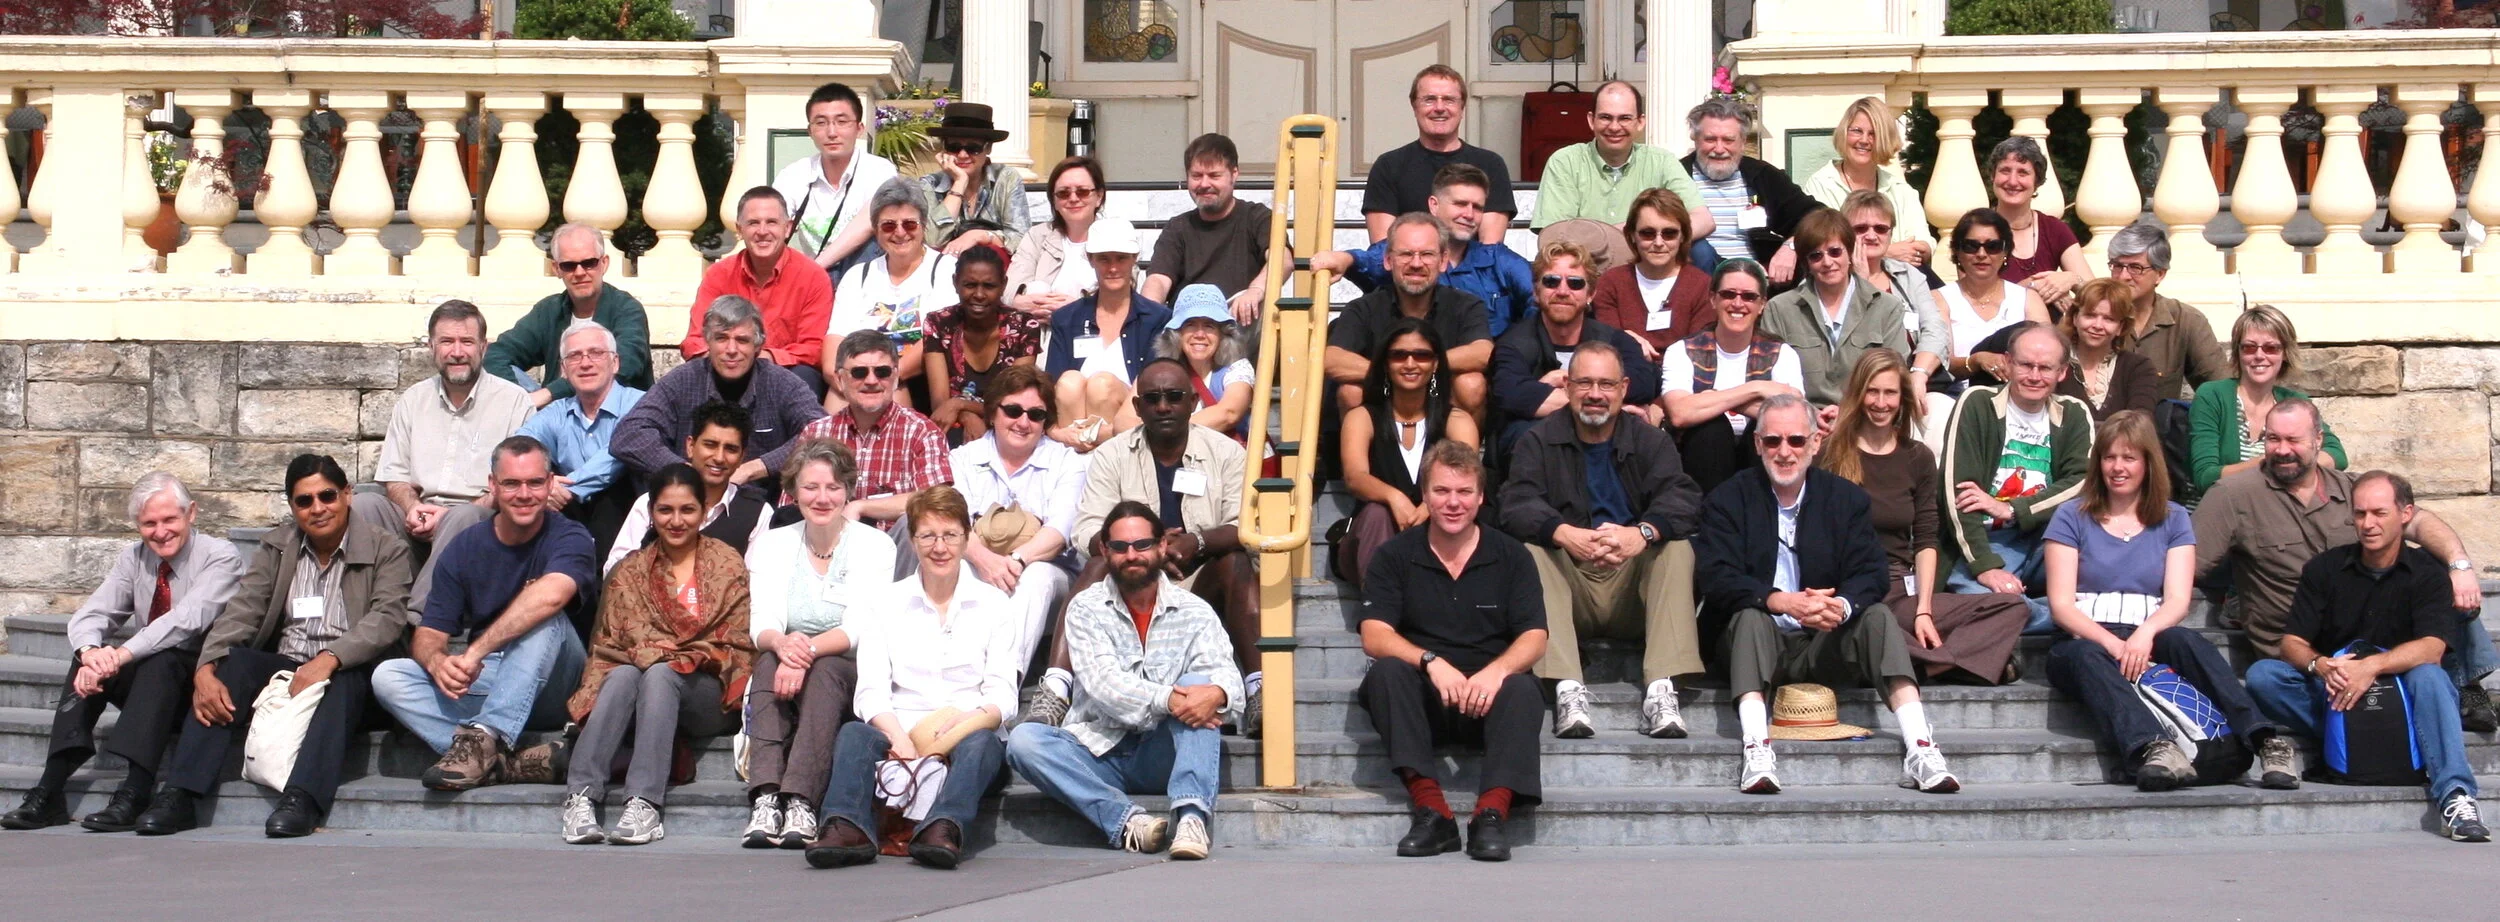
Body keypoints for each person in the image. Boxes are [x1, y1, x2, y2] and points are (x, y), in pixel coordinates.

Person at [1695, 394, 1960, 795]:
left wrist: (1840, 605)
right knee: (1750, 617)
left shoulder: (1846, 498)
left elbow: (1871, 573)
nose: (1785, 452)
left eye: (1796, 441)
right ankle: (1756, 747)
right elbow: (1715, 576)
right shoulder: (1729, 499)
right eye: (1773, 441)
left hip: (1825, 642)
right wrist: (1778, 600)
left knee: (1877, 616)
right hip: (1757, 643)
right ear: (1757, 444)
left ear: (1816, 442)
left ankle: (1921, 747)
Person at [128, 458, 404, 839]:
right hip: (289, 665)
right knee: (233, 667)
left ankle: (303, 798)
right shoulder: (278, 546)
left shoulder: (385, 547)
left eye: (327, 496)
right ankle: (181, 794)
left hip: (354, 669)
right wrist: (206, 667)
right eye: (304, 501)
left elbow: (387, 618)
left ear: (347, 495)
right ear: (293, 507)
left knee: (346, 679)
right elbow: (243, 610)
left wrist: (331, 658)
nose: (317, 508)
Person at [2193, 400, 2493, 730]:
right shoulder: (2233, 495)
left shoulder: (2350, 489)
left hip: (2372, 642)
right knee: (2264, 680)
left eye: (2293, 440)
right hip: (2305, 656)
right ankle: (2372, 727)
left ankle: (2466, 686)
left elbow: (2418, 521)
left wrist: (2460, 565)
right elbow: (2188, 564)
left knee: (2437, 564)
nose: (2281, 450)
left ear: (2318, 440)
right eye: (2273, 439)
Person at [2042, 411, 2296, 791]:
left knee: (2188, 641)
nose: (2118, 467)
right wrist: (2113, 644)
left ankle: (2265, 740)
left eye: (2129, 458)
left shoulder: (2174, 518)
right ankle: (2154, 748)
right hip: (2082, 640)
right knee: (2088, 656)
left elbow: (2178, 598)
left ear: (2148, 463)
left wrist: (2144, 635)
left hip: (2149, 631)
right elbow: (2061, 605)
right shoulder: (2071, 516)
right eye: (2109, 457)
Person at [2244, 471, 2489, 842]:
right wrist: (2320, 665)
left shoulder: (2427, 573)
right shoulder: (2325, 568)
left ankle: (2455, 795)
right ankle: (2349, 742)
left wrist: (2371, 667)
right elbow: (2291, 642)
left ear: (2406, 514)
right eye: (2360, 514)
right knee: (2265, 675)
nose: (2368, 524)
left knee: (2432, 676)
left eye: (2379, 513)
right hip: (2340, 690)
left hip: (2404, 691)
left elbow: (2432, 647)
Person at [1004, 500, 1244, 861]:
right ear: (1105, 550)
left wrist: (1217, 692)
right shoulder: (1085, 608)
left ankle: (1191, 817)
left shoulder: (1195, 612)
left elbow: (1227, 675)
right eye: (1119, 547)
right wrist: (1171, 700)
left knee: (1202, 689)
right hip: (1097, 751)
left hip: (1162, 753)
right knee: (1024, 741)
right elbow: (1105, 686)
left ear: (1162, 546)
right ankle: (1129, 821)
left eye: (1142, 545)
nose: (1132, 555)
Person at [2, 474, 242, 833]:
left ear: (191, 513)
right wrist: (90, 653)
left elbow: (187, 620)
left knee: (161, 657)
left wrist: (121, 654)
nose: (160, 532)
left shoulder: (221, 557)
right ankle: (50, 790)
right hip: (152, 689)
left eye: (169, 520)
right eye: (149, 523)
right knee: (89, 657)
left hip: (202, 688)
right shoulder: (134, 558)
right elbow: (93, 613)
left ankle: (135, 791)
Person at [1036, 359, 1263, 734]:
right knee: (1096, 564)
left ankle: (1258, 689)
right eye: (1153, 398)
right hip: (1132, 579)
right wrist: (1141, 550)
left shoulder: (1228, 454)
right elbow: (1087, 528)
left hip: (1199, 578)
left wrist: (1198, 541)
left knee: (1236, 561)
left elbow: (1249, 525)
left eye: (1174, 397)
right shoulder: (1111, 454)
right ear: (1138, 407)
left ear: (1193, 402)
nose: (1163, 407)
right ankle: (1056, 688)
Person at [803, 487, 1016, 870]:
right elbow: (870, 692)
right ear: (912, 540)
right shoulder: (884, 603)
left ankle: (943, 827)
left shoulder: (995, 605)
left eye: (950, 535)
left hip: (966, 732)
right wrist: (900, 738)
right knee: (854, 733)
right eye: (928, 536)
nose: (940, 547)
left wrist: (964, 724)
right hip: (900, 729)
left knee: (984, 743)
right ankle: (847, 826)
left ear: (966, 539)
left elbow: (1003, 695)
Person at [1499, 341, 1703, 739]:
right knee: (1533, 550)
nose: (1595, 394)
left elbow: (1683, 499)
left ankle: (1661, 689)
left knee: (1676, 548)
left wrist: (1640, 534)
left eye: (1606, 384)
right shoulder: (1537, 441)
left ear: (1624, 388)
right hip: (1569, 589)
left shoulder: (1650, 441)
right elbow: (1514, 502)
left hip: (1632, 592)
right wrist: (1561, 532)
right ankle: (1567, 688)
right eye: (1585, 383)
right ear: (1568, 386)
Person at [372, 436, 593, 792]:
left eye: (535, 483)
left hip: (557, 683)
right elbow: (429, 634)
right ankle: (511, 763)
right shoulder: (466, 546)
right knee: (388, 676)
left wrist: (473, 653)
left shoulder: (570, 535)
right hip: (492, 679)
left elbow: (553, 596)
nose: (524, 494)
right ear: (492, 486)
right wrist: (438, 663)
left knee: (542, 615)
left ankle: (486, 734)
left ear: (551, 483)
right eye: (511, 483)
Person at [1358, 442, 1546, 862]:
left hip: (1489, 699)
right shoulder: (1394, 555)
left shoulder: (1512, 555)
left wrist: (1495, 673)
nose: (1453, 503)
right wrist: (1431, 662)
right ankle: (1433, 812)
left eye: (1464, 492)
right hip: (1424, 699)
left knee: (1524, 689)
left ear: (1481, 496)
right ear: (1424, 495)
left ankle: (1491, 815)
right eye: (1442, 491)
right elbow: (1373, 633)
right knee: (1386, 674)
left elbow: (1534, 637)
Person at [558, 464, 755, 846]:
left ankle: (644, 802)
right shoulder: (630, 572)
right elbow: (608, 647)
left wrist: (668, 655)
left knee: (662, 672)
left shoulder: (727, 564)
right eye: (666, 510)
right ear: (651, 512)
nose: (676, 521)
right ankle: (581, 796)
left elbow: (737, 642)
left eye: (687, 510)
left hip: (706, 694)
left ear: (704, 512)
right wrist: (655, 655)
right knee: (622, 674)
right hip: (636, 693)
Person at [1819, 350, 2027, 685]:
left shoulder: (1917, 457)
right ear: (1858, 395)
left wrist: (1924, 610)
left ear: (1903, 398)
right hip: (1852, 591)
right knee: (1864, 629)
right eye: (1872, 391)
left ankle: (1925, 665)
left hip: (1902, 589)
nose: (1881, 402)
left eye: (1890, 392)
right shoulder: (1831, 454)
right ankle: (1956, 662)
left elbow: (1926, 539)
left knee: (2011, 607)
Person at [739, 440, 897, 849]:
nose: (822, 498)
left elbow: (860, 627)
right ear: (793, 491)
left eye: (833, 487)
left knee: (824, 669)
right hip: (788, 656)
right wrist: (783, 644)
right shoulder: (774, 543)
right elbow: (763, 621)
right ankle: (766, 796)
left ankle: (801, 800)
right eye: (811, 487)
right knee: (767, 663)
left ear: (848, 490)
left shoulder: (875, 545)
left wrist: (804, 652)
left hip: (846, 664)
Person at [360, 299, 533, 614]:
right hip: (418, 519)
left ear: (483, 346)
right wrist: (413, 508)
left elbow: (516, 486)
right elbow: (395, 475)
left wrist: (453, 514)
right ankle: (361, 612)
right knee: (364, 504)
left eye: (466, 341)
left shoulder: (514, 403)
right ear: (431, 346)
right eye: (447, 342)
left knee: (461, 517)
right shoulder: (413, 400)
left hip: (481, 520)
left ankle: (416, 619)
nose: (457, 352)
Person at [1938, 324, 2094, 631]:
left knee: (2109, 578)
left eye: (2045, 368)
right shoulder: (1977, 403)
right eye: (2025, 365)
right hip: (1988, 540)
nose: (2034, 376)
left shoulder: (2074, 412)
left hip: (2047, 542)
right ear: (2008, 363)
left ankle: (2025, 612)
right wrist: (1985, 567)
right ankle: (2061, 615)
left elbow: (2081, 481)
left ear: (2062, 372)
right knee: (1978, 597)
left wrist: (2011, 509)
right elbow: (1957, 494)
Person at [950, 364, 1087, 678]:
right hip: (978, 562)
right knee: (952, 566)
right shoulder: (963, 458)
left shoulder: (1066, 461)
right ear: (994, 412)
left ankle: (1002, 691)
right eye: (1013, 411)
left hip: (1049, 575)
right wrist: (985, 560)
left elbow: (1060, 530)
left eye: (1036, 415)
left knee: (1034, 578)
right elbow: (954, 524)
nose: (1023, 422)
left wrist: (1015, 561)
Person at [612, 295, 826, 489]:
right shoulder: (683, 380)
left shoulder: (782, 383)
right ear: (707, 342)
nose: (731, 350)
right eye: (721, 338)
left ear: (758, 347)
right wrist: (685, 471)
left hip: (762, 506)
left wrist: (755, 468)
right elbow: (628, 435)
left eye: (742, 340)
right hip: (689, 504)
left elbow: (823, 432)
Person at [1334, 318, 1480, 586]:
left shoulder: (1456, 420)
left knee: (1452, 510)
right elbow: (1355, 477)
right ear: (1386, 364)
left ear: (1435, 363)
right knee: (1377, 514)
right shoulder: (1362, 417)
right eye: (1399, 355)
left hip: (1436, 533)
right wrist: (1393, 497)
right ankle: (1380, 613)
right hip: (1372, 539)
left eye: (1422, 355)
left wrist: (1428, 506)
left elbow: (1467, 478)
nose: (1410, 364)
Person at [1314, 164, 1537, 337]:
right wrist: (1344, 258)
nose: (1469, 214)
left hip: (1483, 373)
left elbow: (1540, 296)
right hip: (1412, 369)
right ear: (1434, 205)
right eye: (1460, 204)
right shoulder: (1411, 254)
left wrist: (1517, 350)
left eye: (1477, 207)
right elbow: (1369, 259)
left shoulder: (1498, 260)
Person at [1491, 239, 1662, 444]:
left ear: (1590, 294)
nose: (1563, 291)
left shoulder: (1614, 340)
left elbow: (1644, 382)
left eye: (1575, 283)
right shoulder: (1512, 344)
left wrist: (1563, 386)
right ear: (1536, 292)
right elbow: (1513, 394)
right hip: (1536, 457)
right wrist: (1611, 408)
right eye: (1551, 281)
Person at [1327, 213, 1494, 418]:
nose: (1416, 263)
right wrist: (1394, 371)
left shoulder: (1467, 305)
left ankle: (1462, 452)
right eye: (1406, 254)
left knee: (1471, 384)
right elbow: (1332, 358)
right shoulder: (1363, 308)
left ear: (1443, 261)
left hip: (1442, 407)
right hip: (1383, 408)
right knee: (1351, 392)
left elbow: (1484, 352)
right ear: (1388, 260)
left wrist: (1421, 368)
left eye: (1426, 254)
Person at [1658, 259, 1804, 493]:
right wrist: (1756, 389)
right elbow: (1679, 413)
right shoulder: (1682, 350)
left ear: (1762, 304)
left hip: (1759, 457)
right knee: (1711, 430)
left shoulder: (1781, 353)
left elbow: (1793, 416)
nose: (1738, 303)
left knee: (1764, 429)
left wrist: (1712, 399)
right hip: (1700, 460)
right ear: (1713, 299)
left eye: (1749, 296)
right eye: (1728, 294)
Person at [682, 186, 836, 399]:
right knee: (692, 375)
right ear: (739, 229)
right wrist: (727, 355)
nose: (762, 231)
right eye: (753, 223)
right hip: (728, 366)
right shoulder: (719, 274)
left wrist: (764, 356)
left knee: (805, 376)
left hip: (784, 372)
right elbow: (694, 341)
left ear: (788, 228)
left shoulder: (813, 277)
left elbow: (814, 348)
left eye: (771, 222)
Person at [516, 321, 645, 568]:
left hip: (626, 515)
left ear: (615, 363)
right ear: (564, 369)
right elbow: (514, 450)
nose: (585, 363)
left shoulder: (639, 404)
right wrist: (543, 483)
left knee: (610, 496)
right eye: (574, 356)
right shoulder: (556, 413)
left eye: (596, 353)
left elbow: (616, 453)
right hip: (569, 512)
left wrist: (563, 488)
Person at [1758, 209, 1912, 413]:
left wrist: (1846, 417)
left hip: (1866, 419)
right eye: (1816, 256)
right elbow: (1769, 382)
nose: (1827, 262)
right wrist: (1813, 418)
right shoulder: (1780, 309)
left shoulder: (1887, 307)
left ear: (1850, 253)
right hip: (1800, 423)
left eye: (1835, 251)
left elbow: (1894, 379)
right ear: (1806, 263)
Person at [484, 222, 654, 407]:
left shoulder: (626, 310)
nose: (579, 273)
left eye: (589, 263)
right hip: (557, 415)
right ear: (557, 269)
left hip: (617, 416)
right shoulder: (549, 311)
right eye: (569, 266)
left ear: (603, 264)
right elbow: (494, 355)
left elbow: (624, 366)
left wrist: (550, 392)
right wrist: (524, 399)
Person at [798, 331, 954, 532]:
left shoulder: (923, 432)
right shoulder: (815, 434)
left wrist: (861, 507)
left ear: (895, 376)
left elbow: (937, 501)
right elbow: (792, 504)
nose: (871, 381)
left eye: (882, 372)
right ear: (839, 379)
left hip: (897, 550)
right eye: (859, 372)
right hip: (826, 545)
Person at [2188, 303, 2346, 496]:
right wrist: (2273, 462)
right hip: (2218, 512)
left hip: (2269, 515)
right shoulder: (2212, 395)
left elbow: (2337, 455)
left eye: (2271, 348)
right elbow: (2205, 477)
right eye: (2249, 348)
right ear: (2238, 352)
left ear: (2285, 354)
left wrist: (2295, 463)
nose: (2259, 356)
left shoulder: (2294, 402)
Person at [1528, 80, 1713, 242]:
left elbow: (1703, 220)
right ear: (1591, 120)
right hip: (1584, 266)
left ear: (1640, 122)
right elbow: (1554, 236)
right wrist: (1623, 234)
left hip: (1646, 265)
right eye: (1606, 118)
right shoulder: (1566, 162)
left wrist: (1652, 237)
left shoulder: (1661, 162)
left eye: (1624, 118)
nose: (1615, 127)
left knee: (1700, 251)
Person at [604, 401, 775, 576]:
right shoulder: (651, 502)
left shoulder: (757, 513)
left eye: (730, 449)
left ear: (742, 456)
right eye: (710, 445)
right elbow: (613, 571)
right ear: (690, 446)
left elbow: (757, 583)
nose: (719, 457)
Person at [832, 178, 961, 408]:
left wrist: (885, 377)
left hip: (916, 379)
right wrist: (851, 380)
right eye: (889, 225)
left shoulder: (946, 269)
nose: (900, 233)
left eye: (909, 224)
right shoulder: (857, 276)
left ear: (924, 226)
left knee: (894, 390)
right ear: (876, 230)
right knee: (837, 396)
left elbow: (936, 337)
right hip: (861, 379)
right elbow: (835, 342)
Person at [1046, 219, 1169, 451]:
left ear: (1134, 258)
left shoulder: (1157, 319)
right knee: (1069, 382)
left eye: (1121, 258)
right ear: (1091, 259)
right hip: (1069, 435)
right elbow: (1051, 385)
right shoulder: (1065, 318)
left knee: (1102, 385)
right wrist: (1057, 433)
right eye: (1104, 259)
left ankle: (1108, 463)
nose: (1113, 268)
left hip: (1126, 431)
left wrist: (1101, 433)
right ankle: (1074, 461)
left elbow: (1151, 389)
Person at [1363, 64, 1518, 245]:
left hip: (1474, 272)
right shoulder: (1389, 166)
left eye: (1449, 100)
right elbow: (1384, 249)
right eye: (1429, 99)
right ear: (1414, 106)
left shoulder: (1490, 164)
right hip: (1409, 270)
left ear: (1462, 108)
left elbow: (1490, 248)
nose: (1439, 107)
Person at [773, 81, 900, 279]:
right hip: (817, 282)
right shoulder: (793, 175)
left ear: (859, 128)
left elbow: (867, 223)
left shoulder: (880, 171)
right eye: (821, 123)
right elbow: (773, 226)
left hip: (869, 279)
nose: (832, 133)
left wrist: (814, 268)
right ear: (810, 131)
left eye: (842, 122)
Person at [1143, 133, 1271, 323]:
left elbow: (1281, 261)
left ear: (1234, 174)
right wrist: (1147, 314)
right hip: (1188, 331)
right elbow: (1159, 279)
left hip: (1240, 326)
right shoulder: (1177, 228)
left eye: (1214, 176)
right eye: (1196, 176)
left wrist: (1256, 290)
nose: (1204, 184)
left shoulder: (1257, 217)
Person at [1683, 96, 1820, 271]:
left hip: (1755, 277)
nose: (1719, 149)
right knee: (1700, 250)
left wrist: (1791, 246)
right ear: (1695, 139)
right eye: (1710, 139)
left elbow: (1817, 216)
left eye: (1728, 140)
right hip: (1699, 278)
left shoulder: (1763, 176)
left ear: (1743, 142)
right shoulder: (1677, 177)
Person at [1843, 190, 1947, 416]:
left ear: (1891, 234)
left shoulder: (1908, 275)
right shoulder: (1834, 278)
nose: (1871, 235)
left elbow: (1935, 329)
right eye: (1861, 229)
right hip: (1856, 387)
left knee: (1941, 412)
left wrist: (1919, 374)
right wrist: (1860, 284)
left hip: (1911, 379)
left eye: (1880, 229)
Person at [924, 246, 1045, 439]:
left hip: (1009, 424)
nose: (979, 294)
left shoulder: (1023, 326)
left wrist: (961, 405)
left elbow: (1014, 402)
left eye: (989, 286)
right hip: (955, 424)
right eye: (970, 285)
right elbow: (940, 403)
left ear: (1004, 285)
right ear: (955, 283)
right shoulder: (939, 323)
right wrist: (967, 416)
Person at [1801, 97, 1930, 274]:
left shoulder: (1900, 189)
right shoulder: (1821, 185)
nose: (1864, 140)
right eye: (1856, 131)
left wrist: (1913, 250)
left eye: (1873, 134)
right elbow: (1825, 249)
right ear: (1844, 134)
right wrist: (1886, 252)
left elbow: (1923, 245)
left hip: (1900, 283)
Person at [2105, 222, 2230, 400]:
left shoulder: (2186, 320)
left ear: (2160, 274)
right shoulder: (2093, 318)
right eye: (2117, 266)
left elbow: (2221, 389)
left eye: (2135, 268)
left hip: (2159, 426)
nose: (2123, 276)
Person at [1589, 188, 1718, 359]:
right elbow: (1606, 347)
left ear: (1683, 236)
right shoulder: (1611, 283)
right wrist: (1624, 339)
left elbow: (1697, 352)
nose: (1658, 242)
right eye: (1647, 233)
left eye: (1669, 233)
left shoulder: (1703, 286)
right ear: (1632, 235)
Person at [1937, 208, 2052, 391]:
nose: (1981, 254)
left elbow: (2050, 352)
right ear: (1957, 251)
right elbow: (1940, 362)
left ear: (2005, 251)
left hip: (2020, 393)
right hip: (1958, 396)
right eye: (1971, 246)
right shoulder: (1941, 299)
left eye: (1992, 247)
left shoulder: (2027, 299)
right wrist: (1975, 361)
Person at [1986, 137, 2091, 307]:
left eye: (2023, 173)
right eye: (2005, 170)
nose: (2012, 181)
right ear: (1993, 176)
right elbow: (1977, 300)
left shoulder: (2054, 229)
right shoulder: (1975, 230)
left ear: (2037, 182)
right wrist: (2033, 287)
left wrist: (2071, 279)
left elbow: (2096, 294)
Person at [916, 102, 1028, 256]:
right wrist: (959, 183)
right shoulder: (929, 184)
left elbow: (1022, 238)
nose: (963, 155)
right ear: (944, 148)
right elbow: (934, 240)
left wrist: (980, 236)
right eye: (954, 147)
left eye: (973, 148)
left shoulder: (1006, 178)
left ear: (988, 148)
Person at [1008, 156, 1117, 315]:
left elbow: (1127, 294)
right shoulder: (1037, 236)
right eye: (1063, 193)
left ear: (1099, 197)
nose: (1073, 198)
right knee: (1037, 288)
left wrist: (1076, 311)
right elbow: (1009, 290)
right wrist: (1026, 303)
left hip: (1094, 330)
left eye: (1083, 191)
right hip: (1040, 329)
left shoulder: (1114, 236)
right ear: (1054, 200)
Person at [1157, 284, 1257, 440]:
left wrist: (1164, 430)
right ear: (1177, 332)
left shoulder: (1238, 368)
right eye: (1190, 324)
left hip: (1227, 460)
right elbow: (1124, 418)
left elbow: (1229, 413)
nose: (1199, 334)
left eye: (1209, 326)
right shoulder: (1161, 369)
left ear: (1223, 334)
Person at [2055, 279, 2159, 420]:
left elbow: (2139, 424)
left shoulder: (2138, 368)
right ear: (2075, 318)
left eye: (2109, 319)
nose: (2098, 325)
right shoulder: (2053, 363)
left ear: (2120, 327)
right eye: (2090, 315)